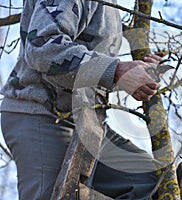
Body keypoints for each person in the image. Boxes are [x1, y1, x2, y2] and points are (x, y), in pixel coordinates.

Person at [0, 0, 163, 199]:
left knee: (154, 185)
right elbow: (43, 48)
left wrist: (134, 72)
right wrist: (117, 70)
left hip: (86, 124)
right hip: (43, 114)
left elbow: (89, 65)